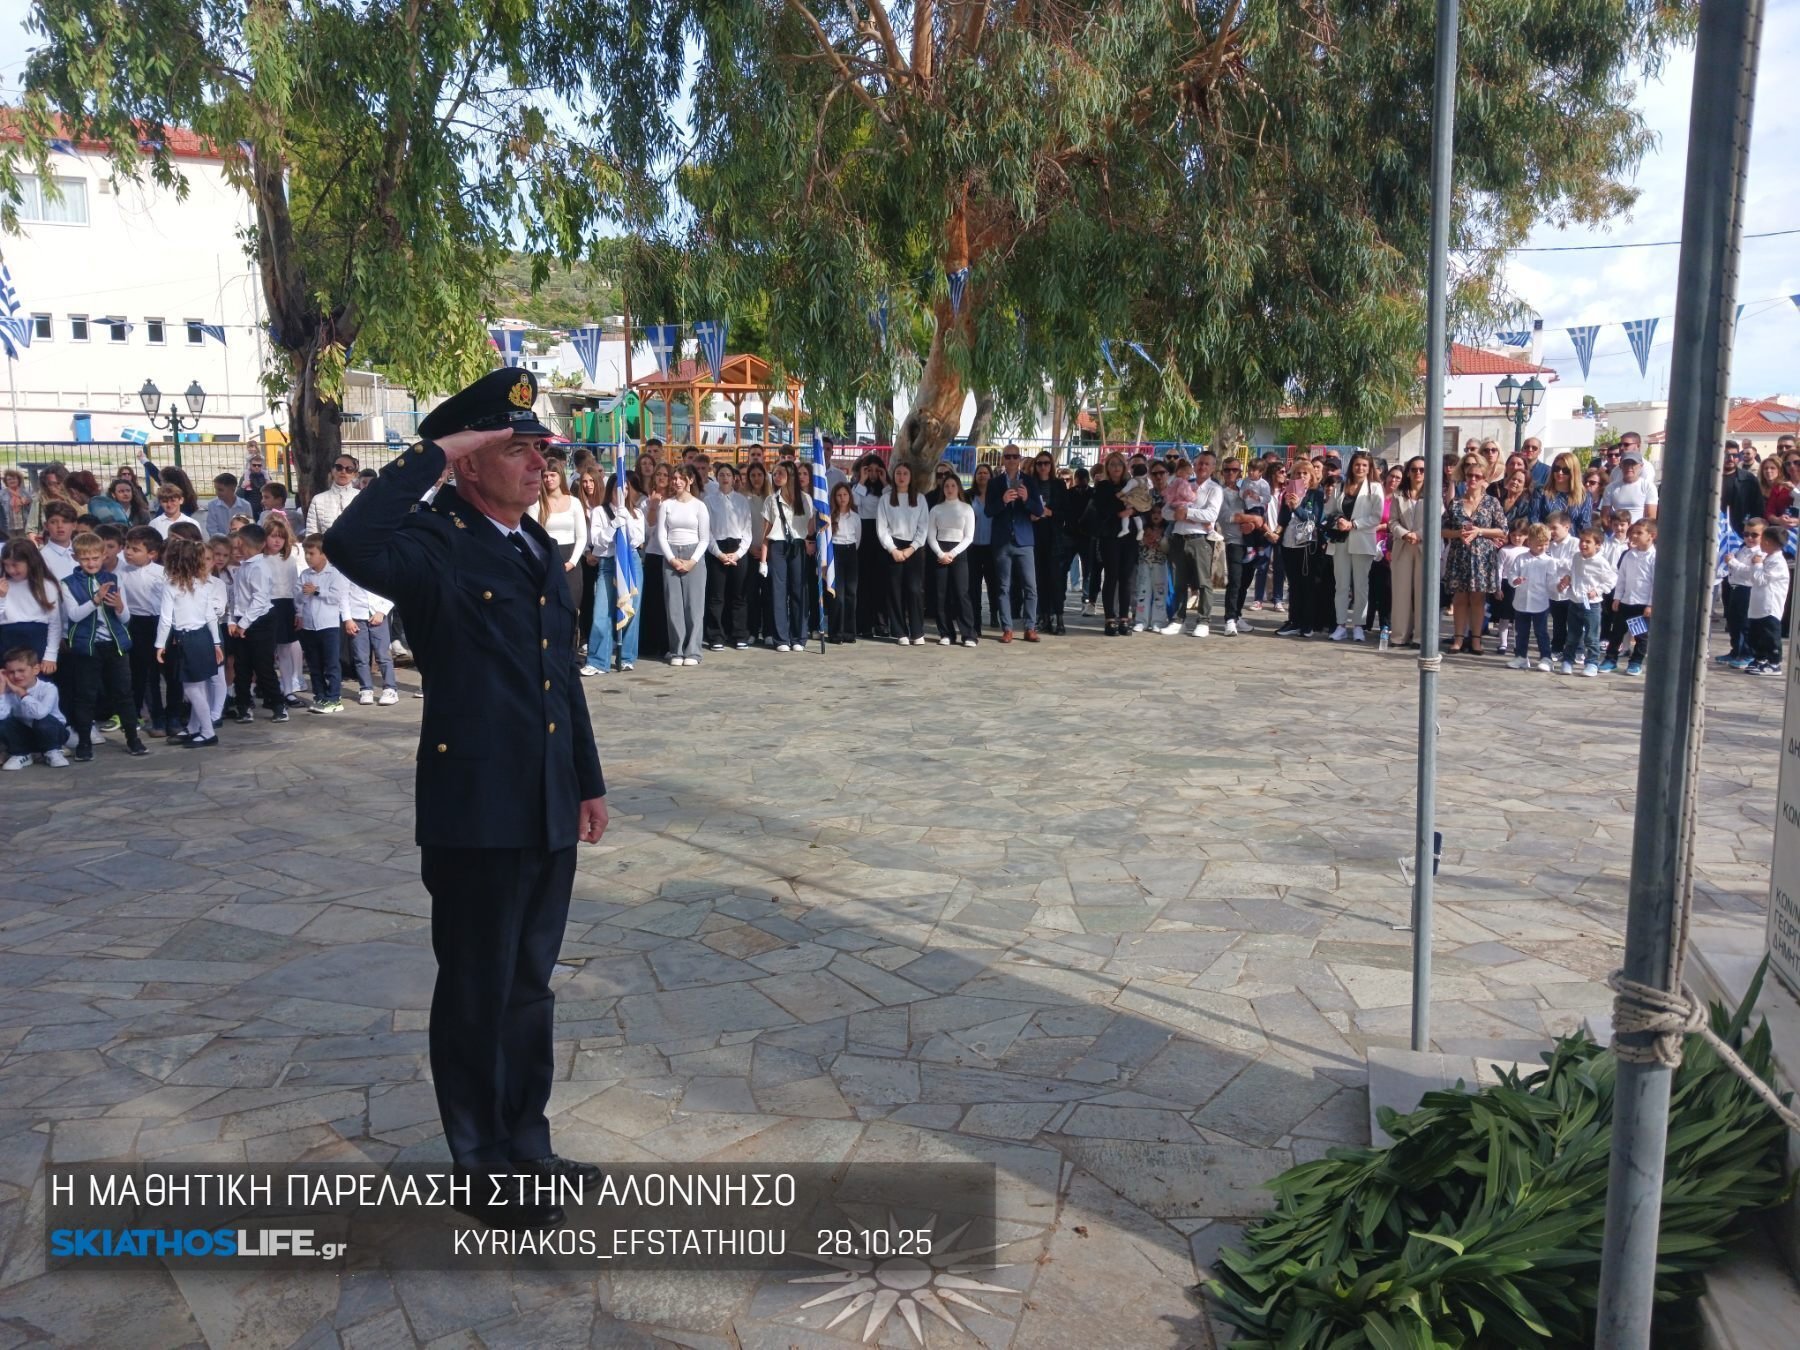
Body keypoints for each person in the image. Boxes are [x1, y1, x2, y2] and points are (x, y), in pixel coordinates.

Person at [323, 368, 607, 1228]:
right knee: (479, 986)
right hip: (478, 809)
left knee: (530, 986)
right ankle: (479, 1162)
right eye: (514, 450)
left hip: (547, 804)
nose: (538, 465)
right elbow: (350, 546)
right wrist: (436, 453)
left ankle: (528, 1140)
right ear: (472, 463)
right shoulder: (436, 541)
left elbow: (562, 679)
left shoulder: (534, 546)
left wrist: (588, 782)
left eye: (539, 450)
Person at [60, 532, 148, 761]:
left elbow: (126, 618)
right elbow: (74, 615)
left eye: (95, 558)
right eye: (85, 559)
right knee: (86, 695)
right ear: (76, 558)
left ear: (103, 556)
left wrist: (119, 606)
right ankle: (84, 743)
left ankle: (133, 739)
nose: (91, 563)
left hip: (114, 644)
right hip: (87, 647)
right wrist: (95, 600)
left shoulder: (114, 579)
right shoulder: (68, 584)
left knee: (124, 693)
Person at [155, 536, 226, 747]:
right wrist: (216, 643)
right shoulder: (203, 586)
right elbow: (210, 617)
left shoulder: (171, 587)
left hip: (186, 639)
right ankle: (195, 728)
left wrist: (159, 644)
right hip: (203, 637)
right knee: (200, 686)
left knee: (192, 689)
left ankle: (207, 731)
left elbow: (166, 619)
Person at [582, 472, 644, 675]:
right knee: (602, 612)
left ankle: (626, 657)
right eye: (618, 487)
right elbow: (598, 542)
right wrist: (613, 525)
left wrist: (626, 521)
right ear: (611, 489)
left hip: (630, 562)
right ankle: (598, 660)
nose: (622, 491)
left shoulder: (636, 513)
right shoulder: (600, 511)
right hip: (608, 563)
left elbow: (637, 541)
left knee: (631, 609)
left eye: (625, 487)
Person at [1442, 463, 1507, 654]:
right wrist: (1457, 534)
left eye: (1477, 476)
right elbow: (1442, 529)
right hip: (1460, 555)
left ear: (1484, 479)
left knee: (1478, 599)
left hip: (1482, 557)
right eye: (1469, 475)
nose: (1473, 479)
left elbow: (1503, 530)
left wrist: (1480, 531)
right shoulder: (1456, 503)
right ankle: (1458, 638)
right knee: (1460, 598)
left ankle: (1476, 639)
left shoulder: (1491, 502)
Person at [118, 526, 175, 738]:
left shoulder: (163, 574)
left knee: (166, 673)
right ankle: (150, 716)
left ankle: (170, 716)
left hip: (161, 623)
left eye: (135, 549)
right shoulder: (121, 572)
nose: (128, 552)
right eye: (127, 547)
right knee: (143, 673)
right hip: (136, 623)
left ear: (152, 554)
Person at [1323, 449, 1383, 642]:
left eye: (1364, 465)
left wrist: (1353, 524)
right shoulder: (1340, 486)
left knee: (1361, 585)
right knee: (1340, 584)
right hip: (1341, 540)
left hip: (1362, 540)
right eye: (1357, 464)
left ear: (1369, 468)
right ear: (1352, 466)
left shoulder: (1375, 488)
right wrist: (1339, 521)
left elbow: (1376, 517)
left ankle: (1359, 625)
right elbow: (1329, 511)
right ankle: (1340, 625)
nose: (1360, 468)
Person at [227, 523, 284, 723]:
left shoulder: (260, 568)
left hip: (260, 622)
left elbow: (259, 600)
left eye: (238, 544)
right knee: (242, 667)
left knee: (263, 665)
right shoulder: (244, 567)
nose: (236, 548)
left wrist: (244, 623)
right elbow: (237, 597)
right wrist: (234, 620)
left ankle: (278, 704)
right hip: (244, 621)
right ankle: (244, 705)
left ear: (245, 544)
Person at [985, 446, 1043, 642]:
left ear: (1020, 459)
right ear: (1002, 459)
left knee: (1030, 586)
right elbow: (988, 511)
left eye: (1015, 456)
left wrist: (1026, 499)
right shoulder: (994, 483)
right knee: (1003, 587)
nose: (1011, 460)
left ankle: (1030, 627)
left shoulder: (1029, 481)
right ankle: (1007, 628)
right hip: (1002, 541)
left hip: (1024, 540)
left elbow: (1039, 510)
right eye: (1007, 456)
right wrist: (1002, 501)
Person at [657, 464, 713, 664]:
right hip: (671, 554)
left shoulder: (699, 506)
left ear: (690, 480)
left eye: (682, 478)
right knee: (674, 606)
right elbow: (661, 535)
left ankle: (693, 651)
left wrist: (692, 561)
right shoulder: (666, 505)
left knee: (694, 606)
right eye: (675, 478)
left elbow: (705, 538)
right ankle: (677, 650)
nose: (677, 481)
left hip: (693, 555)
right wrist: (671, 558)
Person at [526, 460, 588, 620]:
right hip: (547, 557)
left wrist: (572, 562)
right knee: (550, 608)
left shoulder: (574, 502)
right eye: (545, 476)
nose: (548, 479)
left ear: (560, 476)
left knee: (572, 608)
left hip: (570, 558)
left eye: (552, 475)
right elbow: (532, 535)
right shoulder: (536, 503)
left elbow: (582, 536)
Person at [878, 462, 929, 645]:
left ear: (910, 477)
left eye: (905, 473)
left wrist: (911, 548)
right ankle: (900, 632)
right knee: (895, 590)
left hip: (913, 548)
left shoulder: (920, 499)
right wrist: (892, 549)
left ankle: (917, 631)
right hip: (892, 547)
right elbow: (882, 528)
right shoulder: (885, 499)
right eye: (898, 473)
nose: (901, 476)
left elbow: (923, 527)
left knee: (914, 589)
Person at [703, 463, 753, 651]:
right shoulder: (709, 501)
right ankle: (716, 635)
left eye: (728, 475)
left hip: (738, 548)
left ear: (734, 478)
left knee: (739, 595)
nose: (725, 478)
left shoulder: (742, 500)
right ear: (717, 477)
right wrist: (719, 553)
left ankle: (739, 634)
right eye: (721, 474)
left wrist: (738, 554)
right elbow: (706, 531)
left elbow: (747, 531)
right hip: (717, 548)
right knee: (717, 596)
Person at [297, 533, 348, 713]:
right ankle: (320, 696)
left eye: (311, 553)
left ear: (323, 554)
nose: (308, 557)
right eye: (306, 553)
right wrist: (299, 608)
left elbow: (337, 597)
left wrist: (317, 591)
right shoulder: (304, 574)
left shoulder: (334, 573)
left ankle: (334, 698)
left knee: (331, 663)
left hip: (329, 626)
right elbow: (299, 599)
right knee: (314, 664)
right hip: (310, 626)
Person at [260, 512, 307, 704]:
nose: (277, 541)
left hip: (286, 605)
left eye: (281, 536)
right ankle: (268, 690)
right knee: (266, 652)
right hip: (267, 607)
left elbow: (294, 586)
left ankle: (288, 689)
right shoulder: (260, 560)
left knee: (285, 650)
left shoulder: (289, 559)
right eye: (273, 536)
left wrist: (298, 611)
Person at [927, 470, 977, 646]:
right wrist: (941, 554)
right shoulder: (936, 509)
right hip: (940, 551)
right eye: (946, 486)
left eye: (953, 486)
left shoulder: (966, 508)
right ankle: (946, 633)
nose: (949, 489)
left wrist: (953, 553)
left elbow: (969, 536)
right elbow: (931, 536)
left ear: (958, 488)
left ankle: (968, 634)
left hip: (959, 552)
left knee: (962, 593)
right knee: (941, 595)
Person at [1601, 518, 1657, 675]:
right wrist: (1617, 598)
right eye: (1633, 533)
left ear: (1651, 535)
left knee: (1641, 636)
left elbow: (1655, 583)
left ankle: (1635, 662)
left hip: (1642, 604)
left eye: (1639, 533)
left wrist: (1650, 604)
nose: (1634, 536)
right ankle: (1610, 659)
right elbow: (1622, 578)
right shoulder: (1628, 555)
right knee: (1617, 632)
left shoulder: (1654, 557)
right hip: (1626, 601)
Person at [0, 538, 65, 670]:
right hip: (7, 641)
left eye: (15, 565)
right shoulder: (3, 585)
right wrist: (1, 597)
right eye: (7, 565)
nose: (11, 570)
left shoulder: (46, 585)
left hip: (36, 641)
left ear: (30, 562)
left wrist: (50, 655)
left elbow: (54, 623)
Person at [0, 647, 69, 770]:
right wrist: (2, 689)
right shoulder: (8, 691)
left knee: (42, 721)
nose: (16, 675)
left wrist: (22, 693)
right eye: (11, 672)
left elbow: (40, 714)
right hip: (25, 736)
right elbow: (1, 716)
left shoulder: (48, 688)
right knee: (3, 722)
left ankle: (53, 751)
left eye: (21, 670)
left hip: (53, 733)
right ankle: (21, 754)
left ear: (35, 669)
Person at [1505, 523, 1561, 672]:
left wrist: (1558, 587)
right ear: (1529, 542)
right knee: (1521, 631)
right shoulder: (1521, 558)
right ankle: (1521, 657)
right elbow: (1512, 574)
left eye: (1545, 544)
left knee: (1541, 631)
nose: (1542, 547)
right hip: (1521, 602)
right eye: (1539, 545)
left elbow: (1552, 581)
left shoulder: (1549, 562)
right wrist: (1515, 580)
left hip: (1540, 603)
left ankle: (1546, 658)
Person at [1387, 457, 1428, 648]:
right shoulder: (1398, 495)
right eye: (1414, 469)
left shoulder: (1433, 495)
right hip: (1402, 545)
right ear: (1408, 472)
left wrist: (1418, 535)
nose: (1418, 473)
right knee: (1401, 591)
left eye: (1422, 470)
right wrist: (1405, 534)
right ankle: (1399, 635)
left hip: (1424, 546)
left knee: (1423, 592)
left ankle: (1421, 637)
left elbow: (1437, 520)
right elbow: (1392, 521)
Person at [1029, 451, 1071, 634]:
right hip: (1036, 535)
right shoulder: (1031, 485)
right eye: (1039, 463)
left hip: (1054, 537)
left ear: (1051, 465)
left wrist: (1050, 513)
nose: (1043, 467)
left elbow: (1067, 512)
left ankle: (1059, 617)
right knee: (1039, 580)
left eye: (1046, 463)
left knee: (1056, 580)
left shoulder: (1059, 484)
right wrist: (1031, 515)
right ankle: (1044, 617)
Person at [344, 577, 400, 705]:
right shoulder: (348, 569)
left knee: (383, 654)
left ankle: (390, 689)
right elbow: (343, 595)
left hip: (378, 615)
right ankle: (366, 689)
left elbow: (391, 590)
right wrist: (347, 619)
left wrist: (382, 612)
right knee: (360, 656)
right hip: (356, 616)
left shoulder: (377, 566)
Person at [1748, 523, 1792, 675]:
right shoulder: (1768, 558)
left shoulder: (1778, 562)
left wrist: (1758, 565)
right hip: (1758, 604)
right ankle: (1760, 658)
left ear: (1768, 542)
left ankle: (1774, 662)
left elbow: (1760, 579)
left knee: (1770, 634)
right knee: (1757, 634)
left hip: (1770, 605)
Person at [853, 456, 890, 638]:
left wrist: (884, 481)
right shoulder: (859, 489)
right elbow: (854, 503)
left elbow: (892, 503)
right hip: (865, 533)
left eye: (877, 470)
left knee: (881, 581)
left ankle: (881, 623)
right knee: (864, 582)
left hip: (882, 534)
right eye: (870, 470)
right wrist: (862, 479)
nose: (873, 474)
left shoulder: (886, 490)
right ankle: (864, 623)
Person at [1719, 518, 1763, 668]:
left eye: (1754, 535)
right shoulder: (1742, 549)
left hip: (1747, 588)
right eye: (1746, 534)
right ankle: (1735, 650)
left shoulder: (1760, 553)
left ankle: (1747, 653)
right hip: (1735, 587)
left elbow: (1750, 572)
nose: (1749, 538)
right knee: (1733, 621)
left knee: (1745, 623)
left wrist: (1733, 563)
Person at [826, 481, 861, 643]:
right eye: (839, 495)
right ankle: (835, 632)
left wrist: (851, 550)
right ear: (835, 497)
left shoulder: (855, 516)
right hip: (836, 552)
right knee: (837, 595)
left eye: (845, 495)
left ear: (850, 496)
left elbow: (858, 539)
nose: (842, 498)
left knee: (851, 594)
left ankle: (849, 632)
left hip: (851, 552)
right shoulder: (831, 516)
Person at [968, 462, 999, 635]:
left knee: (993, 583)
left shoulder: (996, 496)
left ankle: (994, 612)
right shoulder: (968, 496)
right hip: (973, 547)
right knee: (974, 586)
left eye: (985, 473)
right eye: (979, 473)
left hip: (991, 547)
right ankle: (976, 621)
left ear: (990, 476)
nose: (982, 476)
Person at [305, 453, 361, 534]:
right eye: (339, 467)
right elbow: (311, 534)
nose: (343, 471)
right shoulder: (318, 500)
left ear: (354, 474)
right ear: (332, 471)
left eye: (349, 469)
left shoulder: (362, 497)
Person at [1601, 451, 1658, 524]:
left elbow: (1651, 517)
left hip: (1639, 531)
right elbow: (1604, 517)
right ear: (1620, 466)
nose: (1629, 467)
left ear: (1641, 466)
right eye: (1626, 464)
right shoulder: (1611, 488)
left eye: (1633, 464)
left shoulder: (1648, 487)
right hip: (1617, 531)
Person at [1721, 444, 1764, 534]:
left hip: (1740, 531)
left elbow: (1757, 509)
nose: (1731, 459)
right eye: (1727, 455)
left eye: (1735, 455)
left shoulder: (1749, 479)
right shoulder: (1707, 478)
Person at [1, 467, 32, 534]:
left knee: (23, 542)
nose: (12, 481)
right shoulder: (2, 494)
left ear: (18, 480)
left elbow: (31, 508)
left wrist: (27, 502)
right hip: (8, 525)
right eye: (9, 479)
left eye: (14, 478)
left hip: (24, 524)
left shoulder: (25, 492)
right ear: (6, 482)